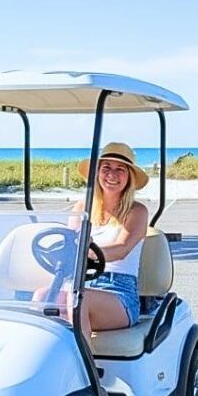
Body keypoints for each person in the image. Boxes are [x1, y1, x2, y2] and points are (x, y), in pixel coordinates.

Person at [71, 142, 149, 343]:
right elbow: (69, 242)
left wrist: (87, 252)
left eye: (120, 169)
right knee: (42, 295)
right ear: (97, 172)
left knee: (79, 300)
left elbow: (122, 249)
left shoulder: (137, 211)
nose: (112, 175)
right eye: (106, 168)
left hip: (119, 291)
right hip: (81, 282)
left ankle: (83, 372)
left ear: (129, 177)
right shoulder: (82, 207)